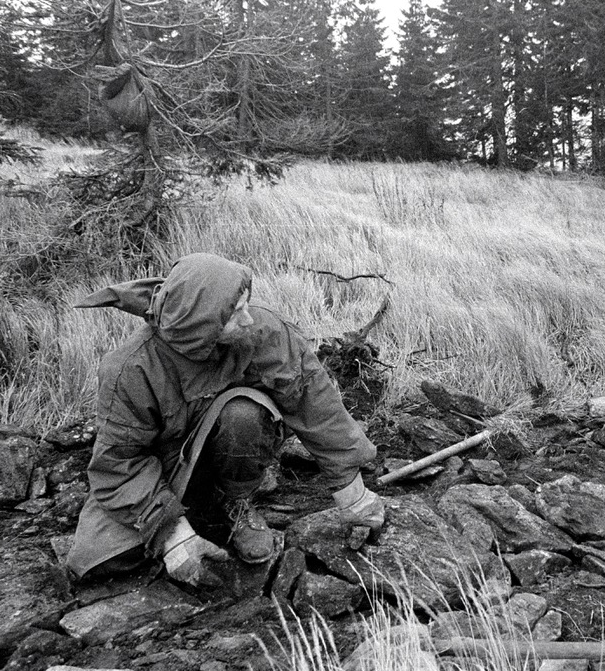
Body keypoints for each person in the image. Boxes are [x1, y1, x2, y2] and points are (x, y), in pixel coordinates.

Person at [65, 252, 385, 587]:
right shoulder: (130, 369)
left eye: (245, 304)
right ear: (202, 325)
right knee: (97, 563)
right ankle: (185, 514)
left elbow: (314, 404)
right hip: (164, 470)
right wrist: (175, 538)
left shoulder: (263, 331)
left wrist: (354, 495)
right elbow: (117, 464)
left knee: (244, 414)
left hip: (230, 446)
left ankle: (233, 501)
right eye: (235, 313)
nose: (248, 319)